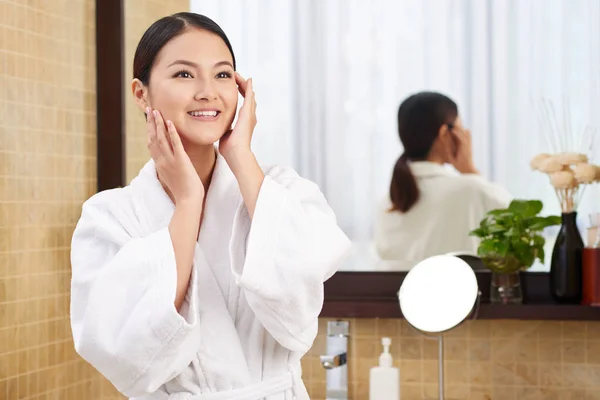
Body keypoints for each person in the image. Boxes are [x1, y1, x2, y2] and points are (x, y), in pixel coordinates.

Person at [69, 12, 350, 400]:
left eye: (222, 75)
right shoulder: (109, 217)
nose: (207, 92)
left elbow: (306, 277)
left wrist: (240, 154)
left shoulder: (279, 189)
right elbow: (126, 350)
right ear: (141, 93)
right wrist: (188, 202)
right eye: (184, 75)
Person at [374, 91, 512, 262]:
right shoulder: (469, 189)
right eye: (461, 127)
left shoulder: (389, 201)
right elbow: (520, 224)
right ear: (445, 133)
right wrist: (470, 170)